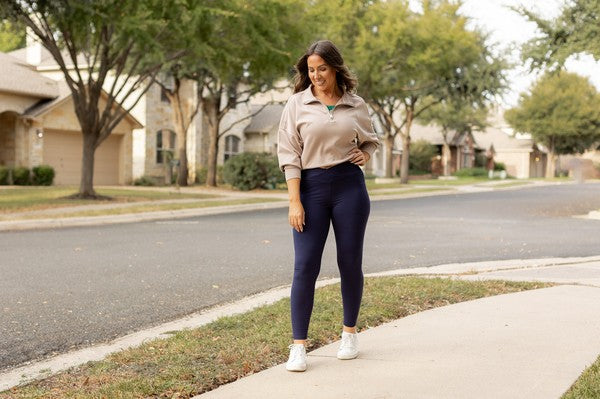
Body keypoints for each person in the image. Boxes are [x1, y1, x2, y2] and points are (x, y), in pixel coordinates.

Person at [277, 40, 380, 372]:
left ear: (335, 68)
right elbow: (289, 154)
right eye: (310, 69)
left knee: (350, 261)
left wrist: (366, 153)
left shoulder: (356, 104)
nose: (316, 75)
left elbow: (370, 139)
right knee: (305, 266)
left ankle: (349, 333)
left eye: (322, 68)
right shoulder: (297, 103)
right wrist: (295, 201)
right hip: (310, 188)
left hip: (350, 186)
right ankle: (298, 346)